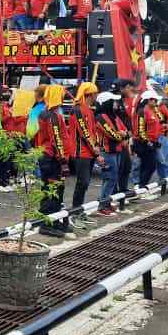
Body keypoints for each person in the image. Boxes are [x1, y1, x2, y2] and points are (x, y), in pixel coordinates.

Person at [36, 85, 75, 238]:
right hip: (51, 158)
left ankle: (54, 220)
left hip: (51, 157)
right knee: (51, 192)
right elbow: (56, 139)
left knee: (56, 191)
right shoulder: (52, 115)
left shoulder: (49, 113)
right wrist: (63, 160)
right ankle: (47, 224)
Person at [69, 82, 101, 229]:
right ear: (90, 94)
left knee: (85, 184)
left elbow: (93, 131)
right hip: (80, 152)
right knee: (82, 183)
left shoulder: (89, 110)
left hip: (88, 152)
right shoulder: (78, 110)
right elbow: (84, 132)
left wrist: (97, 148)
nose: (97, 96)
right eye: (95, 93)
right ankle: (75, 214)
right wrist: (95, 149)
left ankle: (78, 211)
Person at [96, 91, 129, 216]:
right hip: (107, 152)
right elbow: (112, 134)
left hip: (117, 151)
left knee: (112, 178)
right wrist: (122, 135)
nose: (116, 104)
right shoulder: (100, 117)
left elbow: (125, 130)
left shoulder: (114, 116)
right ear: (106, 103)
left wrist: (123, 134)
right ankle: (102, 205)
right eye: (113, 101)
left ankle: (106, 202)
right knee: (109, 178)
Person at [133, 87, 164, 201]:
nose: (156, 102)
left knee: (148, 166)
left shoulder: (152, 110)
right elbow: (140, 129)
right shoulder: (142, 111)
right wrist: (148, 142)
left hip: (151, 142)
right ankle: (141, 188)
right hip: (143, 143)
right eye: (154, 100)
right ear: (149, 100)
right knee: (149, 166)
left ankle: (142, 188)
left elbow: (160, 121)